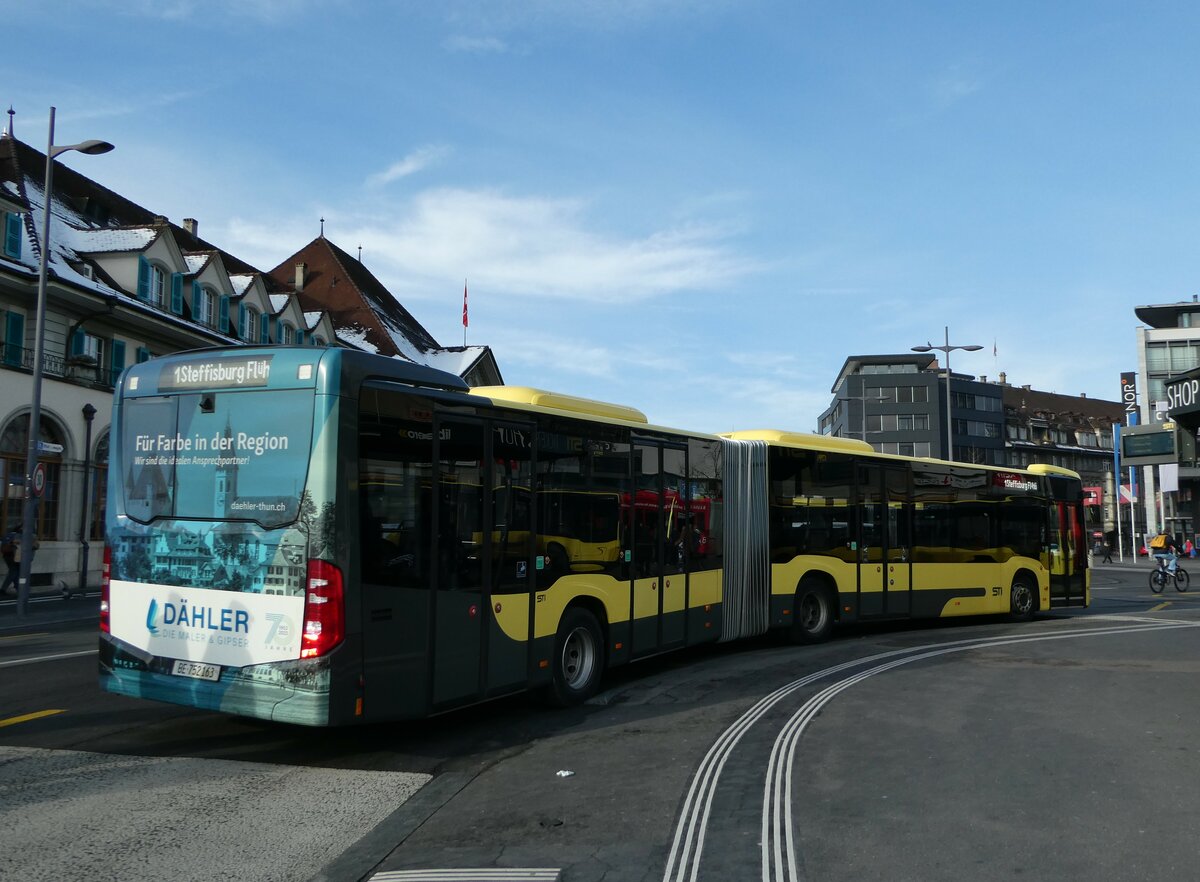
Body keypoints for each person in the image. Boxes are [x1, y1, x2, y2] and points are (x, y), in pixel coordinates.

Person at [1, 525, 21, 595]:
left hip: (6, 556)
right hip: (14, 557)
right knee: (14, 573)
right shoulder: (17, 536)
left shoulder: (7, 535)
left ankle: (18, 588)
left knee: (15, 572)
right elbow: (17, 546)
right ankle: (3, 589)